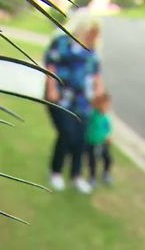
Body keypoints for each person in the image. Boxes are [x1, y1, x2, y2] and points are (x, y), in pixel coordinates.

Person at [45, 15, 104, 194]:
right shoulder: (62, 43)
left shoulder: (92, 53)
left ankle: (76, 175)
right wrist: (52, 89)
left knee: (81, 140)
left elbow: (96, 77)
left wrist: (100, 97)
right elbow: (51, 66)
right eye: (90, 33)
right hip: (61, 99)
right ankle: (55, 172)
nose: (92, 37)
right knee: (67, 134)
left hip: (83, 102)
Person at [86, 93, 113, 187]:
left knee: (108, 159)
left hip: (103, 143)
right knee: (92, 161)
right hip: (92, 143)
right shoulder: (92, 115)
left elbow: (108, 129)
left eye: (108, 105)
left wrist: (109, 136)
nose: (107, 107)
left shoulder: (106, 118)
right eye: (105, 105)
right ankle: (92, 177)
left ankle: (106, 174)